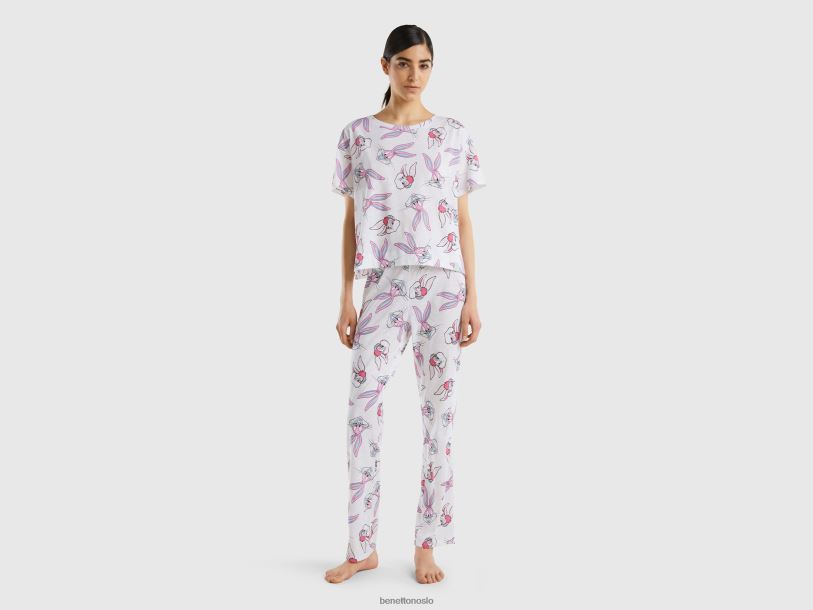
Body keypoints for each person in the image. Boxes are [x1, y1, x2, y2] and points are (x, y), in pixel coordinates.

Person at [324, 24, 487, 585]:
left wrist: (473, 295)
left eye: (424, 65)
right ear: (385, 66)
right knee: (361, 411)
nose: (414, 75)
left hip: (444, 287)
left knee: (440, 417)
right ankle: (361, 547)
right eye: (404, 64)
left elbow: (463, 220)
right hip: (384, 286)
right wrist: (346, 296)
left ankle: (426, 544)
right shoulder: (357, 135)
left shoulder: (454, 134)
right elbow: (351, 221)